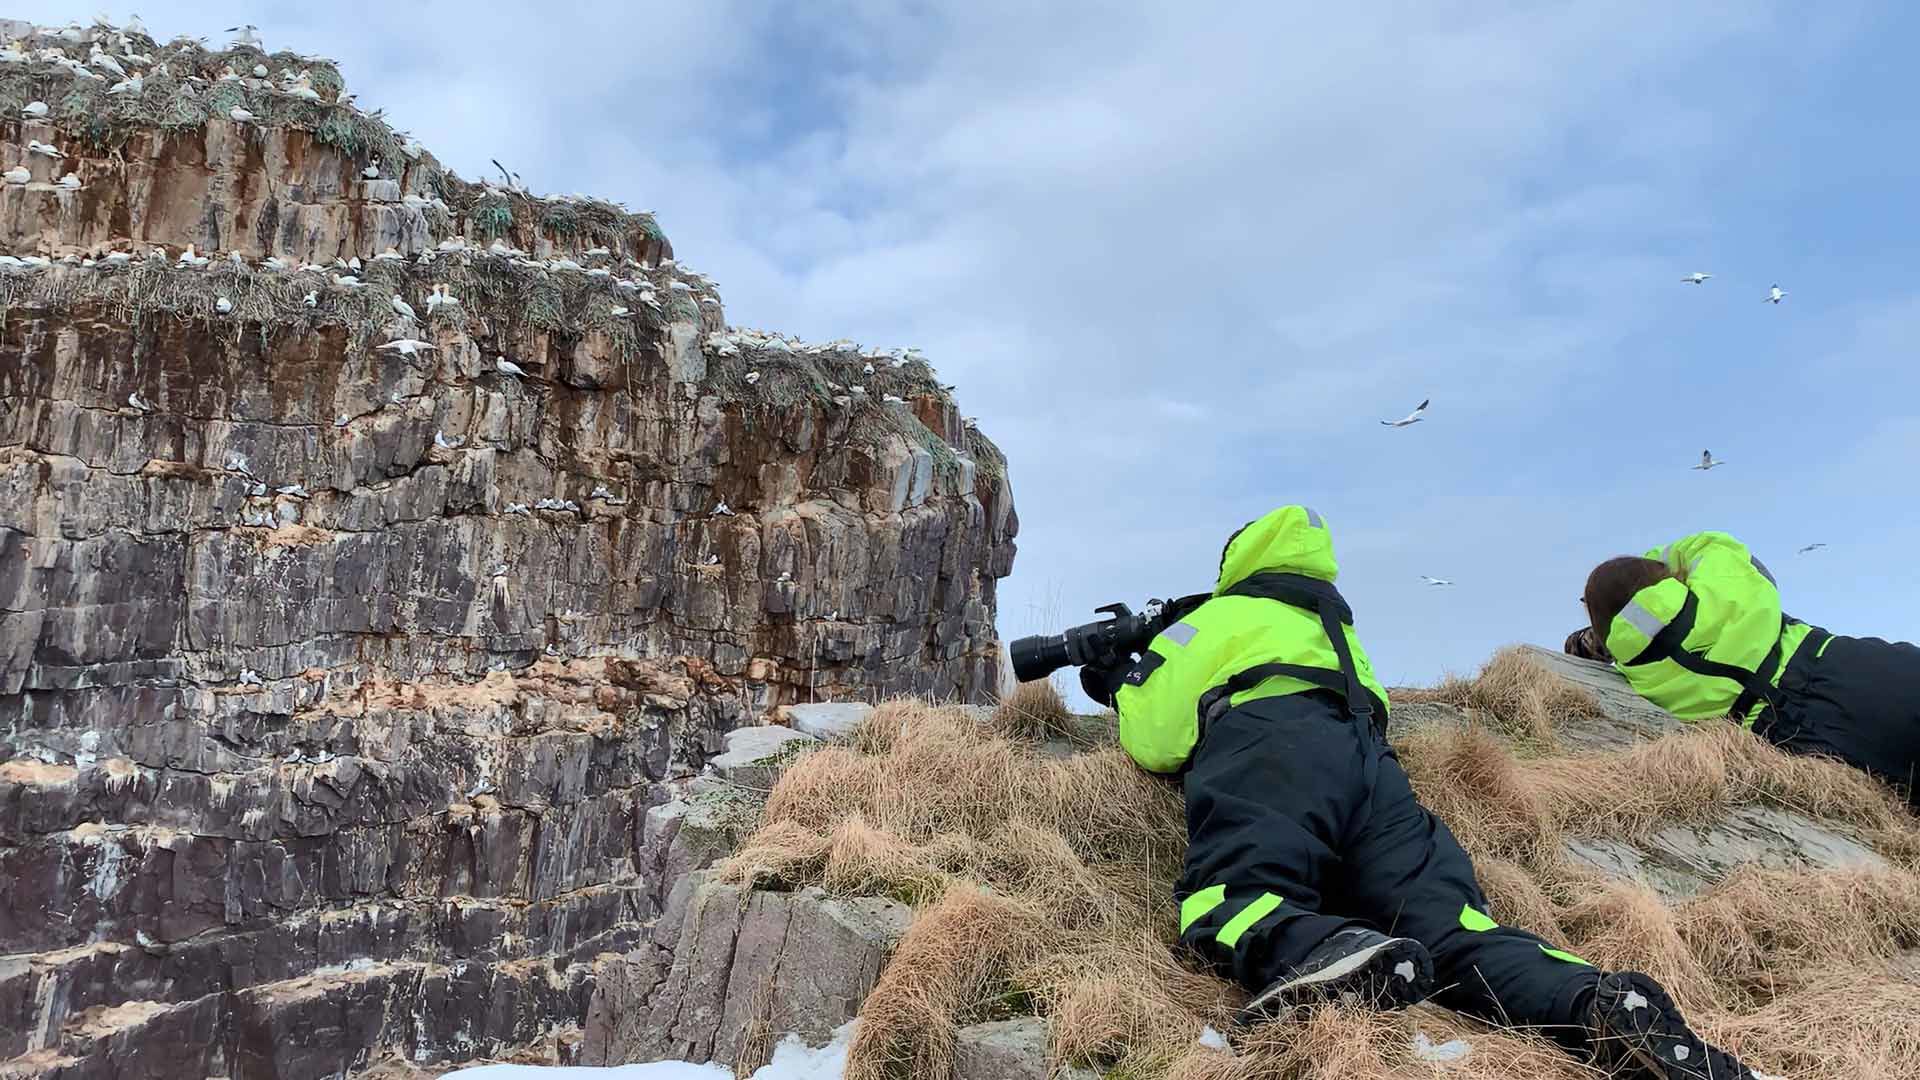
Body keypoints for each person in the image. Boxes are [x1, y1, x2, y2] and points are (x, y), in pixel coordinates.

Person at [1079, 506, 1753, 1080]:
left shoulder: (1224, 615)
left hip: (1272, 751)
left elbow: (1155, 739)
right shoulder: (1334, 625)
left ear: (1238, 562)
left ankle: (1329, 950)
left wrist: (1120, 682)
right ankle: (1596, 1004)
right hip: (1373, 771)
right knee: (1452, 931)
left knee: (1231, 900)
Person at [1574, 530, 1920, 808]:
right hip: (1845, 665)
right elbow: (1714, 545)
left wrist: (1602, 638)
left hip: (1804, 734)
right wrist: (1654, 566)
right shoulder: (1724, 583)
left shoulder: (1640, 670)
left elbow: (1599, 649)